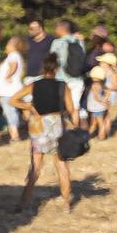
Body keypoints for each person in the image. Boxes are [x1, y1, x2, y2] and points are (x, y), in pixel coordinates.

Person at [12, 55, 78, 212]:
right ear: (57, 69)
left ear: (43, 68)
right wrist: (76, 126)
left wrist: (28, 107)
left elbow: (13, 100)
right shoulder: (63, 86)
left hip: (38, 126)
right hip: (56, 125)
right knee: (62, 165)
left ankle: (23, 203)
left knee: (35, 165)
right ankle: (66, 204)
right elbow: (71, 109)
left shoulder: (34, 85)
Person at [49, 19, 88, 118]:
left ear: (61, 29)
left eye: (56, 27)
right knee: (75, 108)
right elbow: (83, 57)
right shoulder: (79, 41)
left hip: (61, 79)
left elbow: (51, 61)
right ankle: (76, 130)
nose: (55, 30)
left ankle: (65, 130)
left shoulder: (57, 42)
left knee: (62, 107)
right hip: (77, 79)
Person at [0, 35, 29, 142]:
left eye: (9, 43)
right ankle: (31, 126)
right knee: (23, 108)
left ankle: (15, 135)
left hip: (8, 90)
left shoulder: (13, 55)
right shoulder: (16, 55)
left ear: (14, 46)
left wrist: (7, 76)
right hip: (15, 88)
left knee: (10, 111)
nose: (6, 46)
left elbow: (13, 66)